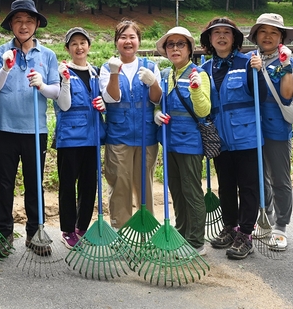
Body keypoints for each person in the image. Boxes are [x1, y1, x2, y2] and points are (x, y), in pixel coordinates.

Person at [0, 0, 60, 256]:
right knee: (4, 183)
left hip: (35, 130)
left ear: (37, 24)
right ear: (11, 25)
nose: (23, 25)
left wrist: (42, 85)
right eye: (18, 20)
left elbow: (56, 91)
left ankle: (34, 232)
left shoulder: (48, 55)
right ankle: (4, 233)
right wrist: (6, 69)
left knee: (34, 183)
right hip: (4, 128)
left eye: (29, 20)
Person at [202, 17, 265, 260]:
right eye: (215, 33)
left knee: (248, 186)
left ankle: (246, 233)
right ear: (209, 39)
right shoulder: (205, 69)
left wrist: (259, 72)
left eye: (226, 33)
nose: (221, 36)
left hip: (247, 136)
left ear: (234, 38)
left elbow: (260, 95)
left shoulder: (248, 62)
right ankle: (230, 226)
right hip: (220, 139)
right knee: (225, 185)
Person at [153, 26, 210, 255]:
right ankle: (181, 232)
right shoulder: (166, 75)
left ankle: (196, 242)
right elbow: (158, 102)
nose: (175, 48)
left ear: (189, 49)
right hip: (169, 141)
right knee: (176, 190)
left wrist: (196, 89)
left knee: (191, 191)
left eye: (180, 44)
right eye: (170, 45)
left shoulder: (199, 74)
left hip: (190, 142)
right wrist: (156, 113)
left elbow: (204, 110)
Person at [246, 13, 293, 251]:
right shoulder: (249, 59)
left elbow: (288, 94)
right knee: (260, 177)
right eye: (263, 31)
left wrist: (286, 65)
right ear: (256, 35)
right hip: (252, 126)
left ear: (281, 38)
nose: (267, 36)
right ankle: (265, 218)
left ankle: (281, 226)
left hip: (277, 127)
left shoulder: (288, 62)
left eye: (274, 32)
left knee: (280, 178)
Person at [99, 20, 160, 229]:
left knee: (145, 187)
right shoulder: (107, 67)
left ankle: (146, 227)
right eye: (123, 37)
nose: (128, 41)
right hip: (119, 135)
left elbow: (158, 99)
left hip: (146, 135)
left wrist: (154, 83)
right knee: (119, 185)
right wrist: (115, 72)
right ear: (116, 42)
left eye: (132, 37)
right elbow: (111, 98)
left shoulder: (151, 66)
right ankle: (120, 229)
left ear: (139, 41)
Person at [54, 27, 105, 249]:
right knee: (68, 185)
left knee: (89, 184)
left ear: (89, 46)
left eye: (83, 42)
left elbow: (108, 100)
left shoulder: (96, 73)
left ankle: (82, 227)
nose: (79, 47)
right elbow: (63, 105)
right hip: (70, 138)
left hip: (92, 138)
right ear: (67, 48)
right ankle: (67, 229)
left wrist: (104, 106)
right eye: (73, 43)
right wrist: (64, 80)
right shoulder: (62, 72)